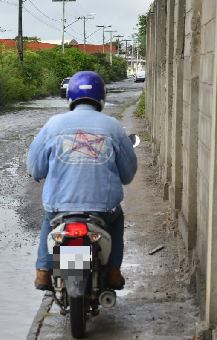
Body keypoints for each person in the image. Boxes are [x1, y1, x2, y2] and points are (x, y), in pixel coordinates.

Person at [27, 71, 138, 291]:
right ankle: (114, 272)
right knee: (116, 219)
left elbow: (35, 168)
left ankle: (42, 272)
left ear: (70, 96)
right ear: (101, 97)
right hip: (103, 209)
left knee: (49, 220)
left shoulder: (53, 124)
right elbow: (127, 174)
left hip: (60, 207)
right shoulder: (113, 127)